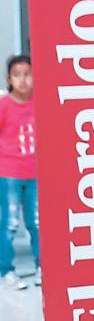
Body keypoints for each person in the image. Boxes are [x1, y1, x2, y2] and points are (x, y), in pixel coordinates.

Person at [0, 55, 38, 289]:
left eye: (27, 74)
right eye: (17, 75)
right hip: (10, 173)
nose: (23, 80)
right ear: (9, 79)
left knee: (38, 222)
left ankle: (42, 266)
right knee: (10, 223)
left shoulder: (40, 103)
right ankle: (6, 270)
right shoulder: (4, 105)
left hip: (36, 173)